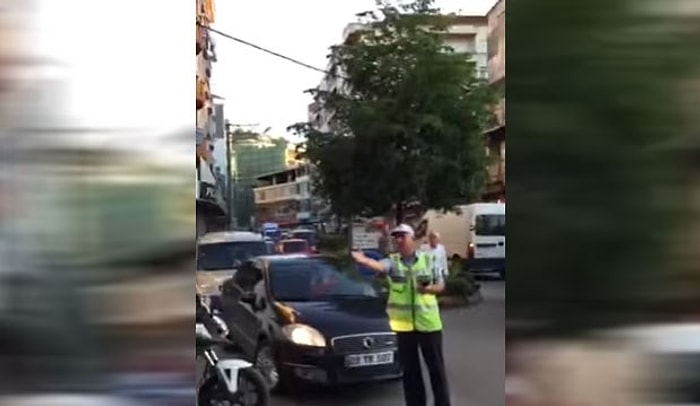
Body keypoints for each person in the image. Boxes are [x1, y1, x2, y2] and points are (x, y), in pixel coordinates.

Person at [351, 224, 451, 406]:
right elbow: (379, 266)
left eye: (402, 237)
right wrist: (364, 260)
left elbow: (441, 285)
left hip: (429, 324)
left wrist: (429, 289)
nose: (398, 240)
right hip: (404, 327)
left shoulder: (428, 260)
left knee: (436, 370)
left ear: (412, 239)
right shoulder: (393, 261)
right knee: (411, 372)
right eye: (395, 237)